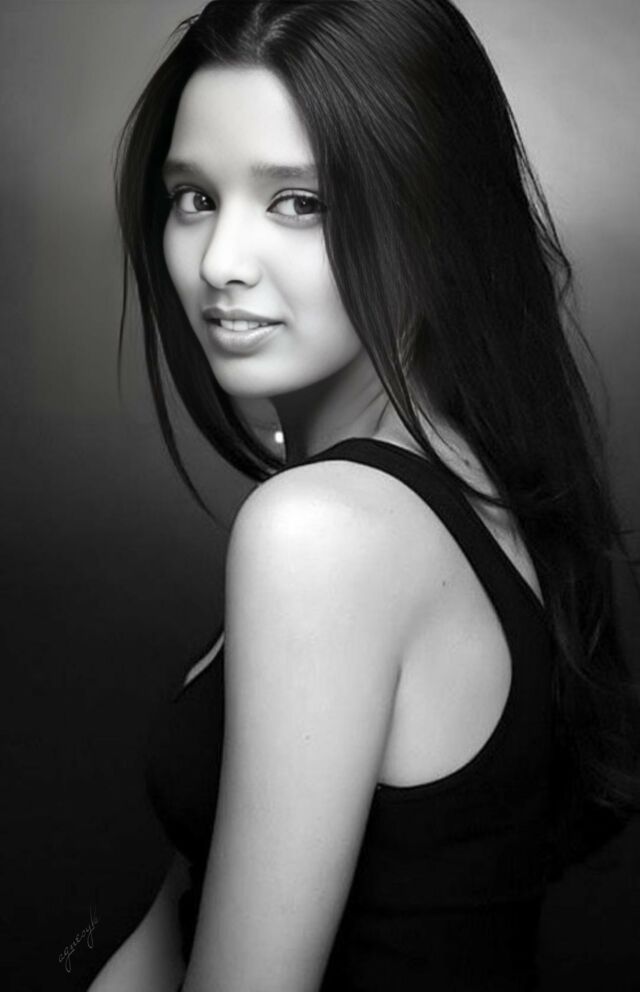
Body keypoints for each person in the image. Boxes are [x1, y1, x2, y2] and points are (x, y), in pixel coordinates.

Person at [87, 1, 640, 990]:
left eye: (299, 201)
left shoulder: (323, 533)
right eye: (194, 197)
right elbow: (189, 904)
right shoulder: (468, 485)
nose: (220, 262)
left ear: (431, 219)